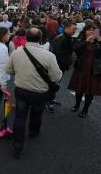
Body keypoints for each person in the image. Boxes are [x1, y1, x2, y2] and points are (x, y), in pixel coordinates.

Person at [6, 28, 62, 158]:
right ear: (41, 39)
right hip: (39, 92)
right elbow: (56, 77)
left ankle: (18, 144)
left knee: (20, 117)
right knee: (37, 113)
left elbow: (9, 70)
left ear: (26, 37)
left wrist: (20, 72)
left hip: (21, 89)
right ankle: (33, 131)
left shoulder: (17, 52)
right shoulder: (49, 55)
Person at [67, 24, 101, 117]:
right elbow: (75, 48)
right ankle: (77, 105)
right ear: (85, 31)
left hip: (95, 69)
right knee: (79, 89)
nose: (91, 32)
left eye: (93, 30)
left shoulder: (98, 40)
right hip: (82, 68)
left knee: (90, 91)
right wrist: (86, 41)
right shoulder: (81, 39)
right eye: (89, 30)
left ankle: (85, 109)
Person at [48, 21, 76, 112]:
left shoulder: (67, 38)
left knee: (56, 83)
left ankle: (51, 99)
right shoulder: (62, 38)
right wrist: (67, 63)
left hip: (61, 65)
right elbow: (58, 54)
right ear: (67, 28)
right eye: (73, 29)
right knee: (54, 84)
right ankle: (49, 102)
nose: (75, 31)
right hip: (58, 65)